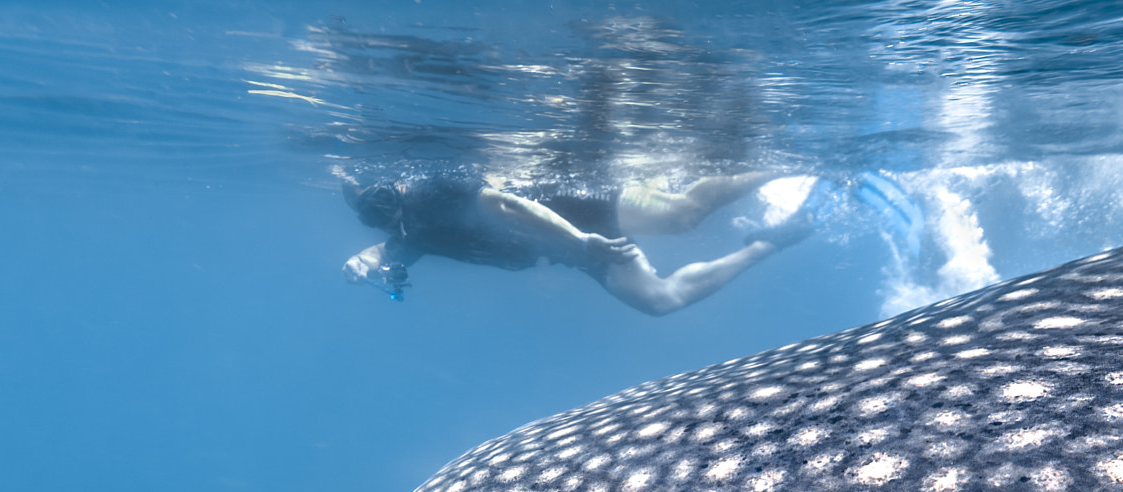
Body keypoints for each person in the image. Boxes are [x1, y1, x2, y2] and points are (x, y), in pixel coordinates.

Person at [339, 165, 815, 315]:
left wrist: (583, 239)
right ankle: (770, 242)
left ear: (393, 183)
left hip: (570, 211)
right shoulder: (407, 227)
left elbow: (511, 206)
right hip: (570, 247)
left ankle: (787, 163)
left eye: (382, 196)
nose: (383, 210)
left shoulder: (433, 187)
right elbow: (399, 247)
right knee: (660, 300)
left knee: (680, 216)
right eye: (370, 211)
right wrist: (366, 258)